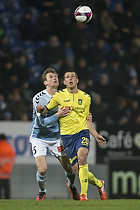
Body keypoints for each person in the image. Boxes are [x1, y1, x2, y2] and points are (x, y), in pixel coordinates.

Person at [36, 69, 107, 201]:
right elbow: (47, 108)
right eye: (67, 77)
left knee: (82, 158)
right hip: (66, 137)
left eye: (72, 77)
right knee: (79, 171)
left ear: (77, 80)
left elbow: (87, 119)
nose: (70, 78)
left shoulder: (86, 98)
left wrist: (96, 135)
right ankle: (99, 183)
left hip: (82, 133)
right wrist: (41, 109)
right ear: (64, 82)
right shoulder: (58, 96)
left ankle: (83, 195)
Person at [29, 68, 80, 201]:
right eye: (51, 77)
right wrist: (57, 115)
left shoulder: (64, 96)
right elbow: (42, 123)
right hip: (39, 137)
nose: (55, 78)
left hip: (57, 138)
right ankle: (42, 191)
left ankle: (71, 185)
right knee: (42, 169)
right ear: (45, 82)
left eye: (56, 76)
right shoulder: (39, 98)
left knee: (70, 169)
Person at [0, 133, 16, 199]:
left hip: (0, 173)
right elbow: (13, 158)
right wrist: (8, 167)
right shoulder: (9, 147)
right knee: (7, 190)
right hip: (7, 173)